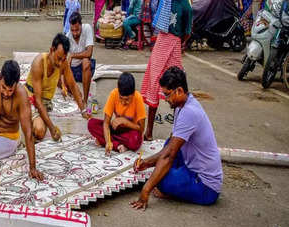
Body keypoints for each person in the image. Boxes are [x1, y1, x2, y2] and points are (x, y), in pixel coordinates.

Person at [131, 67, 222, 210]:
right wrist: (147, 163)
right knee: (169, 144)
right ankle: (176, 180)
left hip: (206, 187)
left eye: (167, 95)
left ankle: (172, 190)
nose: (165, 99)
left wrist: (145, 191)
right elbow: (170, 146)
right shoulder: (182, 105)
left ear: (179, 91)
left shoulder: (189, 112)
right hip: (192, 168)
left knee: (162, 181)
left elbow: (168, 155)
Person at [140, 0, 192, 141]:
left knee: (176, 89)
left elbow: (187, 32)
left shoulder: (185, 6)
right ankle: (149, 131)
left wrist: (178, 43)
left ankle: (174, 132)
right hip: (162, 41)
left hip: (173, 44)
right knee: (154, 85)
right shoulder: (167, 1)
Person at [25, 33, 90, 142]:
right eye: (58, 58)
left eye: (63, 59)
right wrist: (52, 128)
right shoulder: (39, 63)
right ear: (51, 50)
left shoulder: (63, 63)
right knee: (39, 130)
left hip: (45, 102)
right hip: (32, 98)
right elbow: (38, 101)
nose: (60, 63)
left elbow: (73, 86)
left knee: (41, 130)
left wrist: (83, 110)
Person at [87, 72, 146, 154]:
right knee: (91, 123)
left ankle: (104, 140)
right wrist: (108, 141)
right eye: (121, 98)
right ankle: (117, 145)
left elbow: (141, 128)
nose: (123, 102)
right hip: (116, 129)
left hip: (130, 132)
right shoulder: (114, 94)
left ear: (133, 94)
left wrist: (125, 122)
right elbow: (106, 123)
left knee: (135, 140)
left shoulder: (138, 98)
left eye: (127, 99)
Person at [66, 12, 95, 108]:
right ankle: (75, 95)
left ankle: (85, 101)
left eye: (77, 30)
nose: (74, 33)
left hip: (85, 68)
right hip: (73, 70)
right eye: (72, 30)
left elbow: (89, 53)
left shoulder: (87, 28)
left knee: (86, 61)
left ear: (81, 25)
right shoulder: (67, 36)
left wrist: (73, 55)